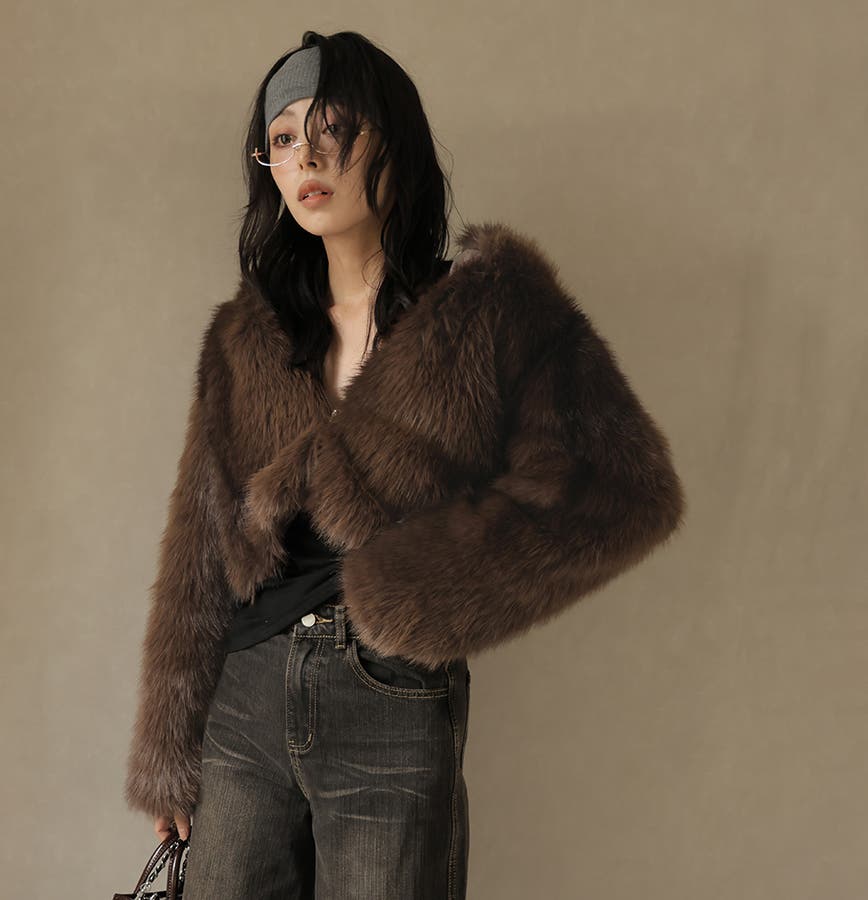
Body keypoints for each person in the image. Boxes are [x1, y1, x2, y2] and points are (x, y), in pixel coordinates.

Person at [123, 29, 687, 900]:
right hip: (244, 704)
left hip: (387, 700)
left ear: (393, 138)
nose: (306, 157)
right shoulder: (245, 336)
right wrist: (167, 750)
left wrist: (415, 594)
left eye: (333, 127)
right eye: (282, 139)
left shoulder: (487, 313)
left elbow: (621, 489)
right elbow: (200, 548)